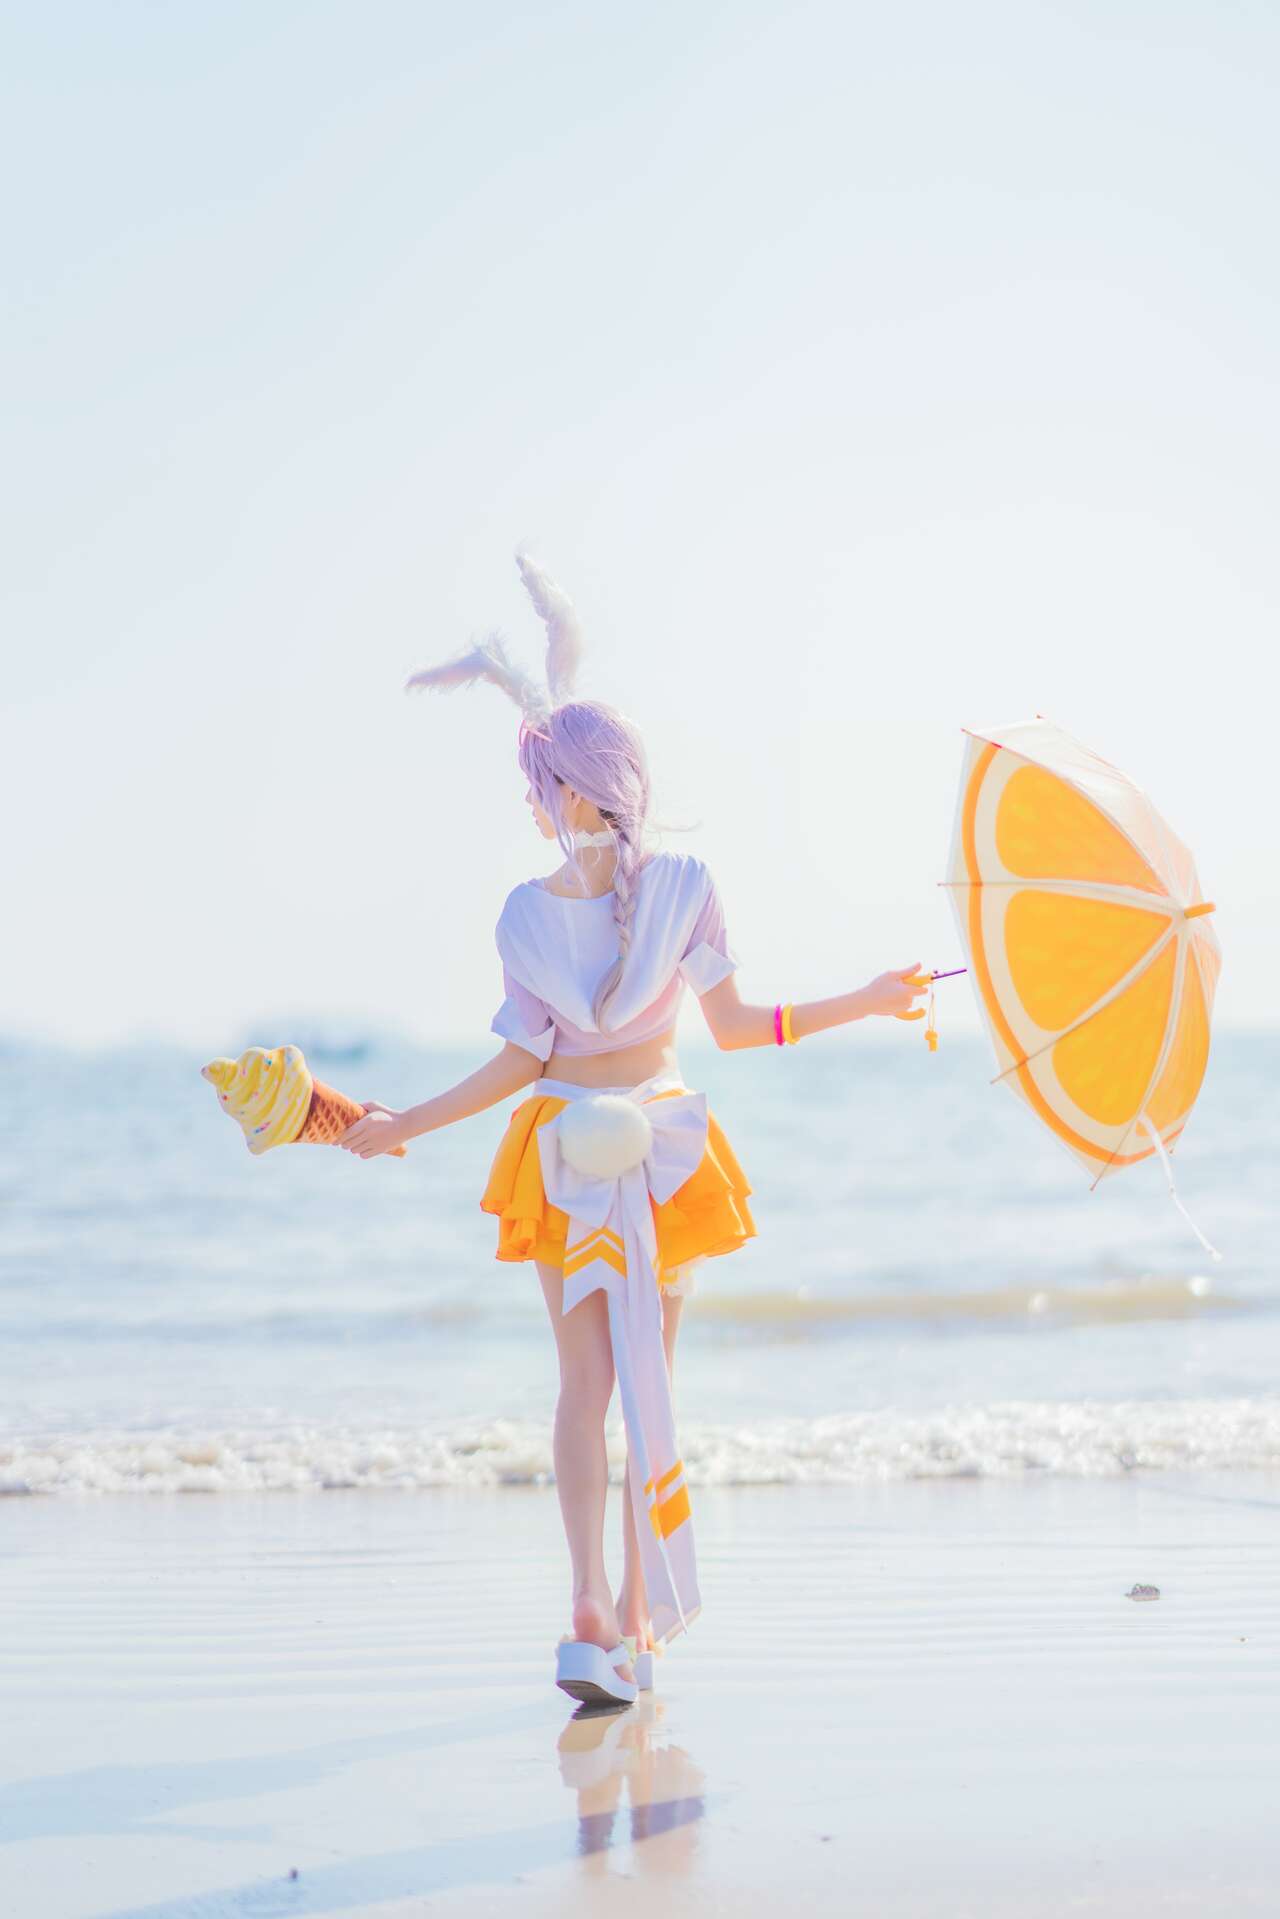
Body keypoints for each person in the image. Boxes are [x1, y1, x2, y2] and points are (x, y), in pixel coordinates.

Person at [338, 553, 928, 1706]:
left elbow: (520, 1063)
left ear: (567, 793)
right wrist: (864, 998)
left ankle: (589, 1604)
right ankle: (637, 1616)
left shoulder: (522, 913)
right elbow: (738, 1028)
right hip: (660, 1144)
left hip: (564, 1149)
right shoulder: (687, 880)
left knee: (583, 1386)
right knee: (649, 1380)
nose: (528, 807)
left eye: (534, 788)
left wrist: (409, 1119)